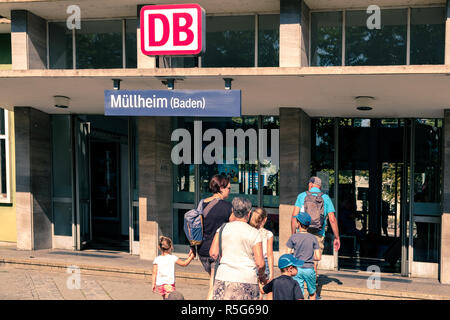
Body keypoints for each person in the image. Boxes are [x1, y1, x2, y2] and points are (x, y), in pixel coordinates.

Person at [209, 197, 266, 300]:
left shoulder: (222, 229)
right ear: (248, 214)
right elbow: (260, 263)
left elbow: (213, 253)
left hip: (223, 277)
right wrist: (261, 276)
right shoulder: (254, 233)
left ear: (232, 211)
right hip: (247, 279)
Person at [291, 176, 340, 287]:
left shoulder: (301, 196)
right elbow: (332, 219)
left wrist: (293, 234)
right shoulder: (326, 198)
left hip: (302, 233)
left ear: (310, 184)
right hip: (318, 233)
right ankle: (312, 292)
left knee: (299, 259)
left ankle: (299, 288)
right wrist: (337, 237)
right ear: (320, 186)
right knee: (313, 263)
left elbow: (294, 217)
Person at [195, 174, 233, 299]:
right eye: (228, 188)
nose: (229, 190)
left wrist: (192, 247)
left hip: (202, 250)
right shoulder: (228, 207)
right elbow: (233, 228)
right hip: (217, 251)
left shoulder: (202, 203)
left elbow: (196, 226)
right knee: (213, 286)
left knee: (216, 282)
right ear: (221, 188)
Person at [287, 211, 321, 300]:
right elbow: (318, 257)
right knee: (312, 294)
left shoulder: (293, 237)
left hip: (297, 269)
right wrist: (309, 256)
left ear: (298, 223)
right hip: (309, 269)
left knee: (299, 295)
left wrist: (295, 256)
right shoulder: (313, 238)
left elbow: (287, 254)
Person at [249, 208, 274, 299]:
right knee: (268, 290)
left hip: (251, 262)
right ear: (265, 219)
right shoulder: (268, 234)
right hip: (264, 262)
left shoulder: (249, 232)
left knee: (255, 291)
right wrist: (271, 272)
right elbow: (270, 254)